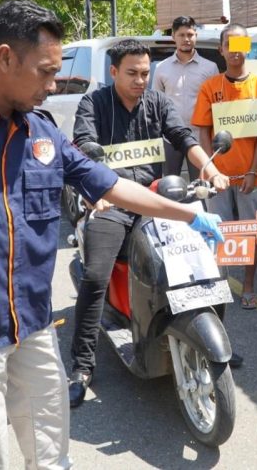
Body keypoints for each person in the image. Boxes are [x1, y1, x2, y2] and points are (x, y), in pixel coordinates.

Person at [0, 0, 224, 469]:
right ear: (6, 58)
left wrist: (185, 214)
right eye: (46, 72)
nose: (54, 85)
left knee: (52, 449)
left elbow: (111, 184)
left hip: (33, 326)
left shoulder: (43, 133)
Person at [68, 38, 230, 408]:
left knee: (199, 263)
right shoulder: (93, 103)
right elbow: (83, 145)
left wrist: (211, 168)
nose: (141, 80)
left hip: (159, 197)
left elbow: (184, 137)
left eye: (146, 72)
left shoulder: (157, 102)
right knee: (95, 275)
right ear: (113, 72)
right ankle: (81, 366)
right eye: (133, 73)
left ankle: (209, 334)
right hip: (113, 201)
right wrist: (98, 189)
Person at [192, 23, 257, 309]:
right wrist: (211, 170)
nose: (235, 51)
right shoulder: (210, 87)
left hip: (250, 175)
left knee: (249, 232)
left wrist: (254, 171)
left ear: (248, 49)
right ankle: (217, 282)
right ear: (221, 49)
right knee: (216, 230)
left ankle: (248, 285)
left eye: (241, 45)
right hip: (217, 176)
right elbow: (203, 131)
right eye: (230, 45)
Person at [152, 15, 219, 178]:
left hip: (200, 138)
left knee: (201, 185)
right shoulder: (161, 68)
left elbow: (217, 104)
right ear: (173, 36)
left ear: (196, 35)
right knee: (169, 184)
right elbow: (155, 103)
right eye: (181, 35)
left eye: (190, 34)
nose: (186, 39)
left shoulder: (210, 68)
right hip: (170, 137)